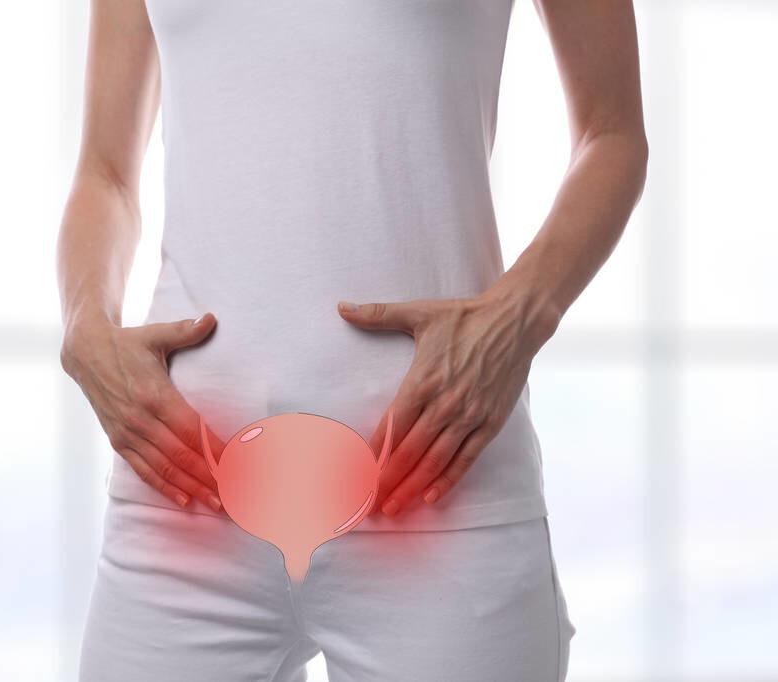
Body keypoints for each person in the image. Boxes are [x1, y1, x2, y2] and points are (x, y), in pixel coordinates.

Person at [57, 1, 647, 679]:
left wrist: (523, 310)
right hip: (183, 488)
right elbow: (105, 172)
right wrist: (86, 324)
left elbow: (611, 134)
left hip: (437, 473)